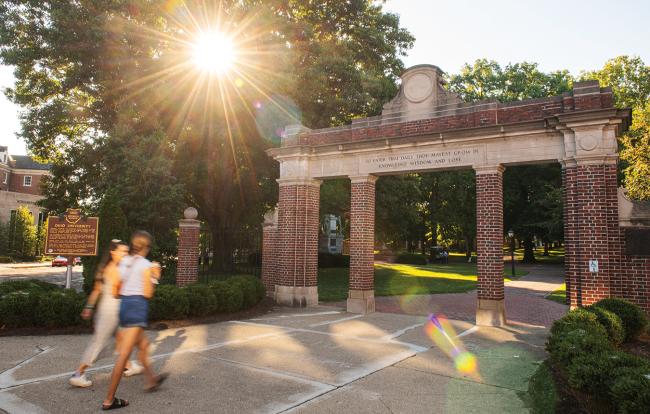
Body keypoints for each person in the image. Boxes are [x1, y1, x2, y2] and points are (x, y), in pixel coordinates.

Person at [102, 231, 167, 411]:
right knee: (124, 355)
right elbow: (147, 293)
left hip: (124, 306)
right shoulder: (146, 265)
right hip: (137, 308)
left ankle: (151, 380)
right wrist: (155, 276)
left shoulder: (124, 263)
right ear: (146, 247)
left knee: (144, 346)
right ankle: (109, 399)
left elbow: (116, 292)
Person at [69, 240, 143, 388]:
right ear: (113, 252)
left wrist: (89, 307)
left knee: (123, 340)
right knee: (99, 343)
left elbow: (97, 290)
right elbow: (119, 292)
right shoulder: (116, 270)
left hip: (107, 308)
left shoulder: (106, 267)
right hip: (112, 311)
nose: (125, 254)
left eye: (126, 251)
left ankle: (128, 365)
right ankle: (78, 374)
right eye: (122, 251)